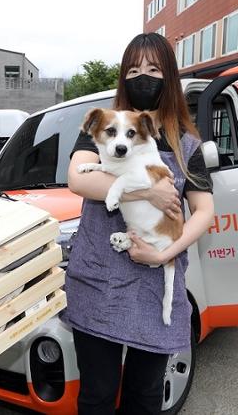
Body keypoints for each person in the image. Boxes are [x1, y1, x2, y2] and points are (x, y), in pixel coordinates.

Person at [62, 32, 215, 414]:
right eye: (133, 69)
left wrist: (168, 254)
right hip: (99, 283)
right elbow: (79, 178)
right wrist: (146, 192)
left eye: (152, 69)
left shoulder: (186, 144)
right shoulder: (105, 127)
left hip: (153, 284)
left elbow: (204, 211)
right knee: (96, 394)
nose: (142, 77)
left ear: (169, 77)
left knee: (145, 396)